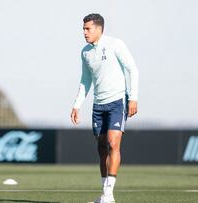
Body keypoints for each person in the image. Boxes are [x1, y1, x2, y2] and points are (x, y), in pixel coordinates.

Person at [70, 13, 139, 203]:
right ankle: (104, 194)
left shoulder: (116, 44)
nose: (84, 32)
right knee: (101, 148)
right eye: (83, 29)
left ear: (99, 29)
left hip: (118, 101)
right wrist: (77, 105)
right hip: (98, 105)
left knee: (112, 143)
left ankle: (109, 194)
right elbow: (85, 80)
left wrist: (133, 98)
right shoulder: (85, 52)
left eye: (88, 29)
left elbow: (132, 69)